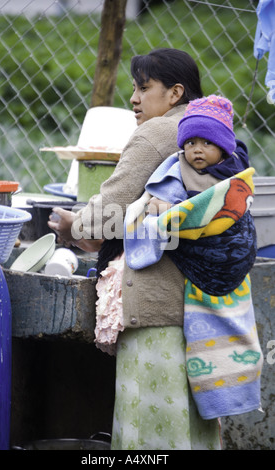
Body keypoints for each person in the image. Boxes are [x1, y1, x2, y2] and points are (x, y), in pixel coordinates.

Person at [48, 48, 248, 450]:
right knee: (190, 427)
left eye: (143, 88)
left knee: (149, 427)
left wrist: (74, 225)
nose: (134, 99)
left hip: (155, 308)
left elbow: (110, 208)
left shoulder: (158, 133)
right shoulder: (210, 138)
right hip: (199, 308)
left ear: (175, 93)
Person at [123, 95, 263, 421]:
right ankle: (217, 392)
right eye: (191, 142)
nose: (196, 150)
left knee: (235, 328)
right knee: (207, 337)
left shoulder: (235, 172)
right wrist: (161, 212)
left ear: (224, 147)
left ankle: (237, 387)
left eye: (207, 142)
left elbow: (236, 206)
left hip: (231, 258)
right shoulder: (177, 169)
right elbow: (160, 202)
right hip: (197, 259)